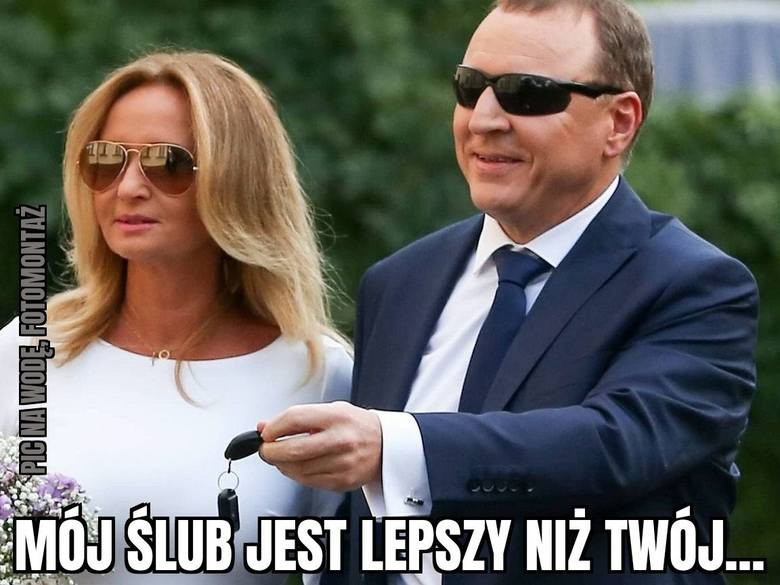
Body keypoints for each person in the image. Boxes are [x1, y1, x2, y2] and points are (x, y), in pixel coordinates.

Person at [259, 0, 759, 583]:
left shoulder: (695, 286)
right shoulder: (399, 283)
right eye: (470, 88)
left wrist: (394, 445)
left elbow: (613, 446)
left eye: (527, 93)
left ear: (619, 122)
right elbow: (364, 527)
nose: (484, 119)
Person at [0, 51, 351, 583]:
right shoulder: (29, 350)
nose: (128, 187)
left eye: (168, 164)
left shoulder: (317, 374)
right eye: (105, 160)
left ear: (237, 180)